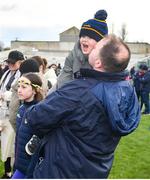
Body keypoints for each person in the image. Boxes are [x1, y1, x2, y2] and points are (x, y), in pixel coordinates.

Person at [24, 35, 140, 179]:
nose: (93, 46)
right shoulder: (127, 89)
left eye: (97, 46)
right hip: (95, 171)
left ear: (98, 63)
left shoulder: (78, 91)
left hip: (60, 170)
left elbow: (35, 118)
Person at [57, 9, 108, 88]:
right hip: (72, 94)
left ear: (100, 43)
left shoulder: (108, 59)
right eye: (83, 36)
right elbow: (64, 79)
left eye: (90, 37)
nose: (84, 40)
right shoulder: (73, 55)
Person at [11, 73, 43, 179]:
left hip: (30, 169)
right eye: (19, 87)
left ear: (34, 90)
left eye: (24, 87)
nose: (19, 90)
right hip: (19, 164)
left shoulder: (39, 111)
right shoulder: (22, 107)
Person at [0, 50, 24, 179]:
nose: (10, 65)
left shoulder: (23, 75)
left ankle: (11, 172)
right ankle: (7, 171)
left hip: (13, 114)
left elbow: (17, 93)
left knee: (12, 145)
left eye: (12, 63)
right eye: (8, 62)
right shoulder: (7, 73)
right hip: (3, 112)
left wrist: (4, 95)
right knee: (5, 144)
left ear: (20, 62)